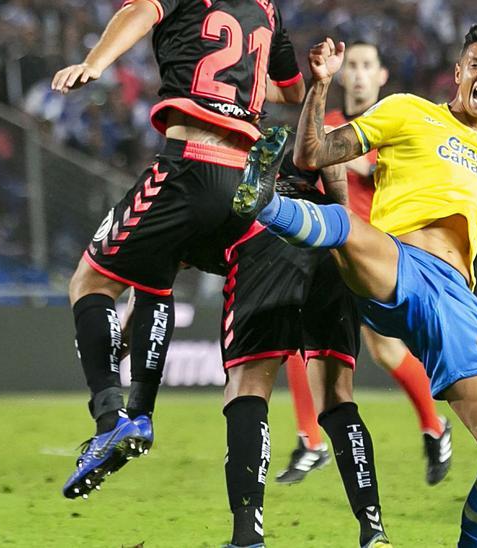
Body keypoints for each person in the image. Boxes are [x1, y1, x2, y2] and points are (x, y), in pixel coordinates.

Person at [241, 25, 477, 547]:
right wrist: (319, 85)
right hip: (395, 264)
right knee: (346, 225)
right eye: (475, 64)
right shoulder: (406, 110)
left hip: (455, 300)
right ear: (458, 71)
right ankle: (264, 202)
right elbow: (312, 155)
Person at [50, 0, 305, 498]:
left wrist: (96, 62)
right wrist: (244, 82)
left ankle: (109, 420)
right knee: (155, 276)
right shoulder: (267, 8)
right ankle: (140, 414)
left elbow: (141, 10)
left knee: (90, 281)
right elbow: (293, 90)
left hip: (190, 164)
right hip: (245, 185)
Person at [275, 41, 453, 488]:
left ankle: (435, 426)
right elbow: (305, 163)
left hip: (381, 252)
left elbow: (369, 168)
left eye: (365, 66)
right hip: (334, 253)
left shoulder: (391, 125)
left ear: (381, 76)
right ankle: (310, 440)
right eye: (350, 65)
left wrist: (326, 150)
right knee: (296, 332)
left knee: (388, 350)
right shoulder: (327, 122)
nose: (356, 74)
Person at [197, 149, 390, 547]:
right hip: (329, 239)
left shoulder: (204, 163)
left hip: (264, 242)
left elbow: (169, 254)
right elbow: (326, 153)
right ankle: (373, 530)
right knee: (337, 398)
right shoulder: (292, 153)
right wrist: (341, 219)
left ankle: (247, 535)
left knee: (247, 387)